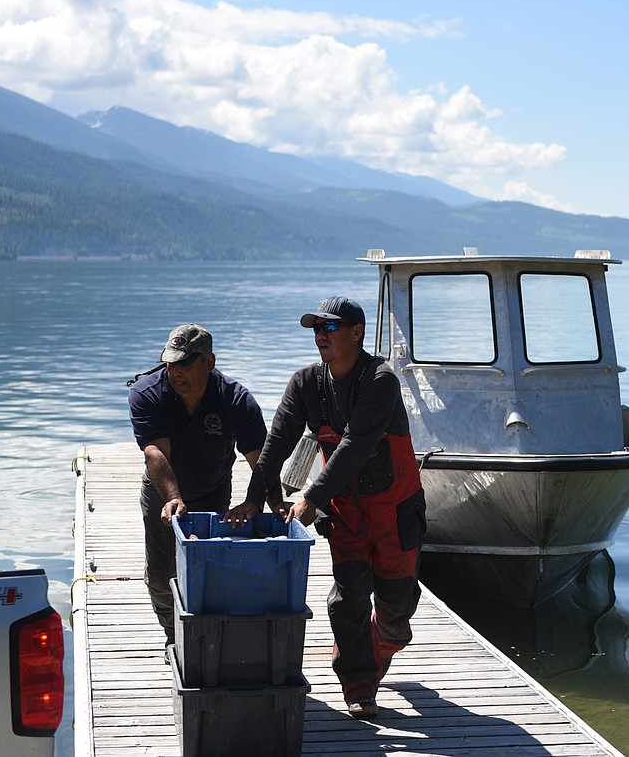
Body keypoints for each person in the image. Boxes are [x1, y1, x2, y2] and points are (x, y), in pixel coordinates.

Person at [234, 296, 426, 720]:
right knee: (348, 599)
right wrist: (252, 498)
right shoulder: (304, 383)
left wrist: (310, 498)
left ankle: (386, 640)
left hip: (395, 513)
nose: (321, 336)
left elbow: (355, 445)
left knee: (398, 606)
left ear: (357, 332)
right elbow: (276, 445)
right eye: (316, 329)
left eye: (331, 328)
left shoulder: (380, 380)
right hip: (346, 515)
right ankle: (359, 684)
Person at [127, 323, 279, 652]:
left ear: (209, 362)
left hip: (213, 490)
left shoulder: (236, 399)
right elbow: (155, 451)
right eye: (170, 364)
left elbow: (261, 461)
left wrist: (261, 502)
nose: (175, 372)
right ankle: (173, 634)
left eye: (185, 364)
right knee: (161, 572)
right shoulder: (146, 393)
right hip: (161, 491)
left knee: (210, 567)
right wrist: (174, 497)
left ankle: (207, 635)